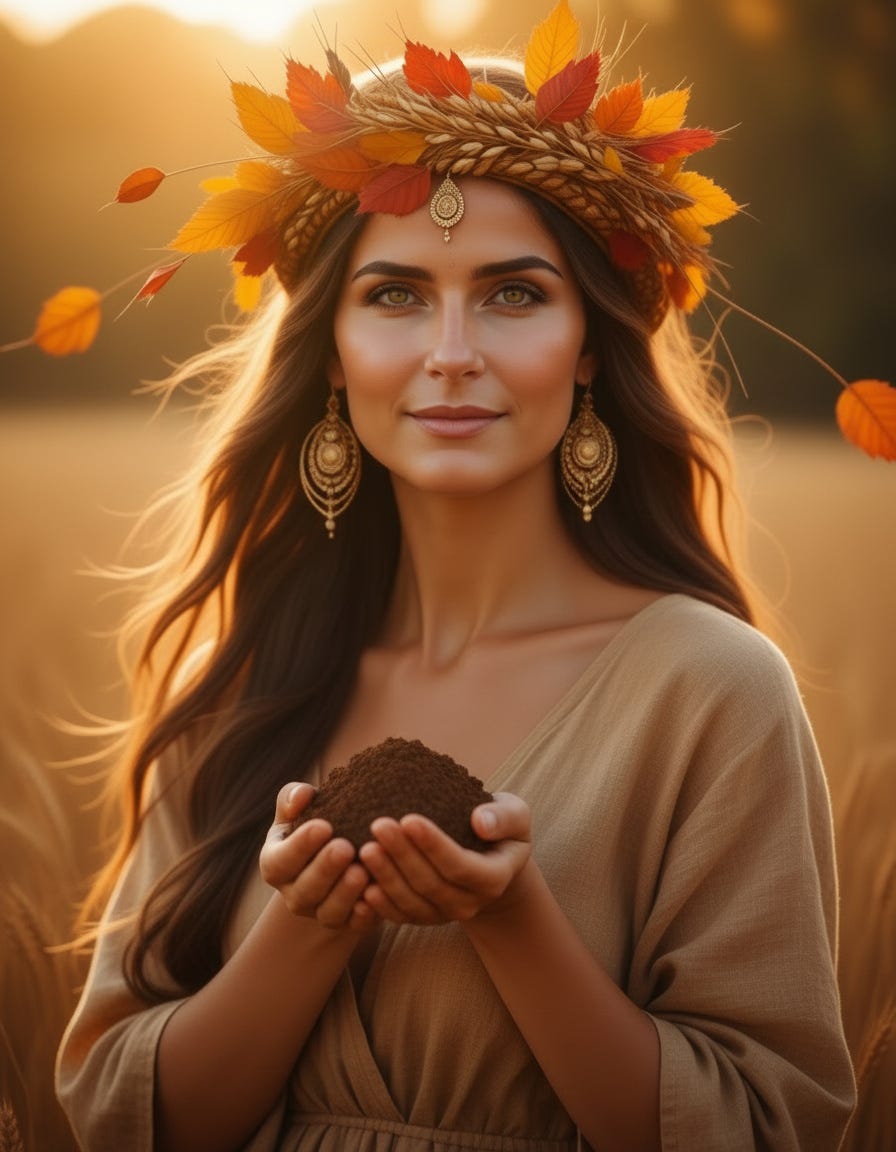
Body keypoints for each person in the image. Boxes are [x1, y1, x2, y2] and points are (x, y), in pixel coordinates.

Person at [54, 3, 856, 1149]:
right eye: (393, 296)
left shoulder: (711, 691)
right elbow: (121, 1114)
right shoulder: (247, 680)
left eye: (512, 293)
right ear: (328, 346)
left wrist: (512, 919)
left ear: (589, 343)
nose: (449, 353)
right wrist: (306, 929)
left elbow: (761, 1127)